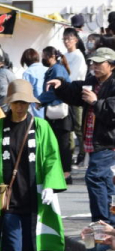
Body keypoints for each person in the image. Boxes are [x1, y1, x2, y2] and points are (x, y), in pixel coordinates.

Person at [0, 79, 66, 251]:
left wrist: (51, 184)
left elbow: (52, 157)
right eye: (16, 102)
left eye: (25, 102)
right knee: (12, 245)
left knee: (29, 246)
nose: (20, 107)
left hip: (33, 196)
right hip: (8, 198)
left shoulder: (41, 126)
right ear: (9, 103)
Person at [46, 46, 115, 225]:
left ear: (112, 65)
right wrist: (61, 85)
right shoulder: (92, 81)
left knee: (95, 176)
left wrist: (95, 102)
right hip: (95, 140)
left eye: (100, 63)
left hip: (108, 141)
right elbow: (75, 92)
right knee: (104, 180)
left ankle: (101, 222)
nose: (95, 66)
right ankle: (109, 221)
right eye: (94, 62)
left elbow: (113, 112)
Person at [38, 46, 72, 181]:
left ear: (51, 56)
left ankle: (66, 173)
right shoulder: (55, 69)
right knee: (58, 142)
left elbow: (54, 91)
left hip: (60, 112)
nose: (42, 59)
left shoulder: (57, 69)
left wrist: (40, 100)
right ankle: (62, 171)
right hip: (55, 112)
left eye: (44, 56)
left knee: (62, 144)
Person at [63, 28, 88, 162]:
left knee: (78, 125)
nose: (66, 42)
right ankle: (70, 151)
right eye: (65, 39)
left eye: (69, 39)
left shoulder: (78, 56)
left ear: (76, 40)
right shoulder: (64, 56)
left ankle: (82, 151)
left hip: (76, 94)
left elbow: (73, 76)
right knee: (67, 125)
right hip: (66, 94)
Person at [20, 49, 47, 116]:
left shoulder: (28, 73)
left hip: (37, 108)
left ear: (25, 61)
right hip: (49, 107)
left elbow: (25, 93)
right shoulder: (47, 69)